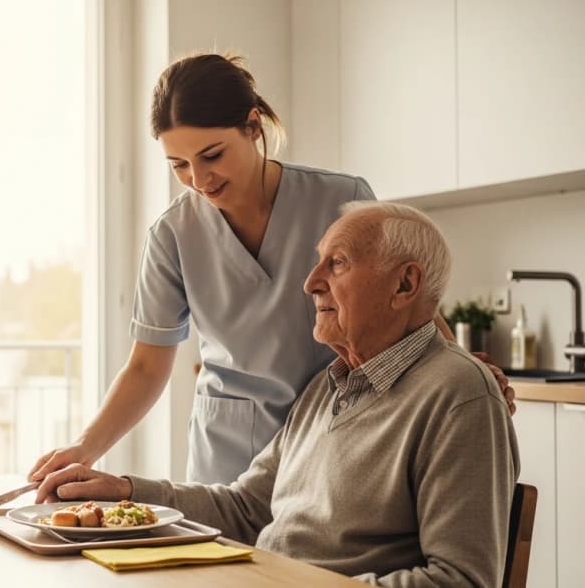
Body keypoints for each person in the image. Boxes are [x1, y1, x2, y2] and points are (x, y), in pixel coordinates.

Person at [29, 52, 516, 485]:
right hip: (226, 458)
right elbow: (145, 366)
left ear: (253, 125)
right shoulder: (173, 234)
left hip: (338, 435)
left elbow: (408, 307)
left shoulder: (341, 199)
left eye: (212, 155)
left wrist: (464, 374)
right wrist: (85, 448)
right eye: (178, 165)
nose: (199, 180)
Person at [35, 202, 521, 587]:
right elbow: (245, 509)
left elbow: (461, 580)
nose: (311, 283)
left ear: (405, 283)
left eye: (338, 263)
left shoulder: (459, 397)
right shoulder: (326, 387)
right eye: (318, 263)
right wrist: (127, 492)